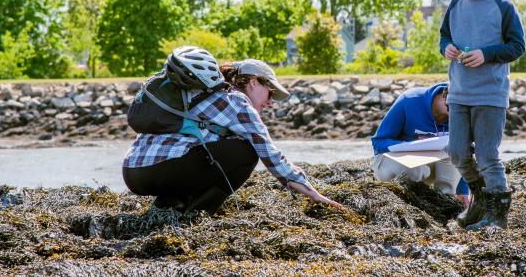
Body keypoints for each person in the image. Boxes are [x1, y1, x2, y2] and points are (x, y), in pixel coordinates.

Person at [123, 51, 340, 214]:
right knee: (245, 151)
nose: (271, 102)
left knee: (211, 150)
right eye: (270, 92)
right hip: (158, 170)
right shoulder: (236, 102)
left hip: (134, 171)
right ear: (253, 82)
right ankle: (198, 214)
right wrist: (312, 193)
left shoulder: (202, 94)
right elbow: (271, 155)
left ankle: (172, 203)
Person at [440, 0, 526, 230]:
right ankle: (479, 199)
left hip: (490, 94)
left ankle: (497, 215)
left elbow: (517, 46)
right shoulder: (455, 4)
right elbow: (443, 37)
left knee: (488, 155)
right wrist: (447, 48)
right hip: (459, 93)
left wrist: (486, 54)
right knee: (457, 153)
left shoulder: (502, 4)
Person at [370, 83, 470, 205]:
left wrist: (463, 191)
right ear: (445, 96)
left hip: (427, 168)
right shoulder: (410, 100)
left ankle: (445, 199)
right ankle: (407, 198)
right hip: (392, 164)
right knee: (416, 169)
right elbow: (378, 141)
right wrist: (408, 147)